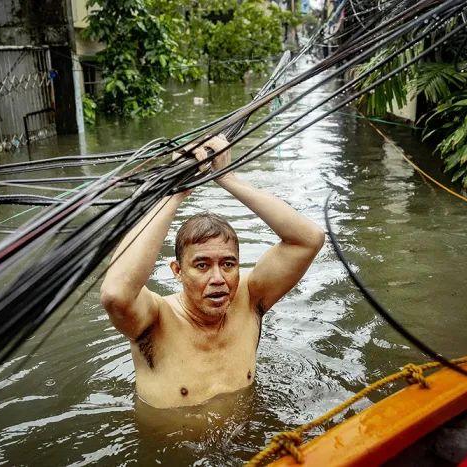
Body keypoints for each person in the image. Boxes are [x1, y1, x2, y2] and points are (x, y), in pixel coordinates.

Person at [100, 135, 325, 408]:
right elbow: (115, 292)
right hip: (173, 448)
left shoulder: (249, 300)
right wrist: (174, 193)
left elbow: (308, 240)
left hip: (248, 442)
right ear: (177, 271)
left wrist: (228, 178)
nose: (218, 279)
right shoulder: (154, 320)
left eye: (228, 265)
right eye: (202, 265)